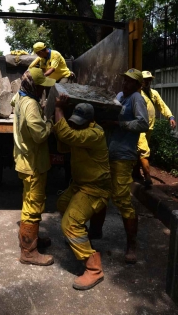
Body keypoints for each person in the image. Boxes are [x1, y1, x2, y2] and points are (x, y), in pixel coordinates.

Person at [54, 98, 112, 290]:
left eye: (80, 122)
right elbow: (64, 141)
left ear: (90, 120)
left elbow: (66, 135)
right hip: (80, 184)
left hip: (95, 188)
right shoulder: (80, 130)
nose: (76, 125)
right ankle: (79, 237)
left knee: (69, 224)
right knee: (62, 204)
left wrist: (58, 108)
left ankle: (94, 269)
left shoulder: (95, 133)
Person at [94, 68, 149, 264]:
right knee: (101, 192)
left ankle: (131, 245)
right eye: (124, 80)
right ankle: (96, 232)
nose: (124, 84)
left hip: (123, 155)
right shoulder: (119, 96)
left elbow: (143, 124)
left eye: (129, 82)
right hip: (109, 152)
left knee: (122, 198)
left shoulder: (136, 99)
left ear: (137, 85)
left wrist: (120, 125)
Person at [13, 67, 56, 266]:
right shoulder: (30, 104)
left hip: (25, 161)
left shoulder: (20, 97)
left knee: (29, 201)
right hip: (34, 163)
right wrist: (49, 122)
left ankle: (33, 238)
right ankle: (28, 252)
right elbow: (39, 134)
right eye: (41, 88)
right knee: (33, 206)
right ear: (33, 86)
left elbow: (14, 100)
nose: (43, 92)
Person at [135, 71, 177, 187]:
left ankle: (136, 172)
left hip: (150, 127)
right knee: (144, 150)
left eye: (149, 80)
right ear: (140, 81)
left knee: (139, 151)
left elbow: (162, 105)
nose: (147, 81)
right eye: (145, 79)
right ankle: (147, 178)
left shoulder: (154, 93)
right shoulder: (137, 94)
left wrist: (170, 116)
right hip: (139, 128)